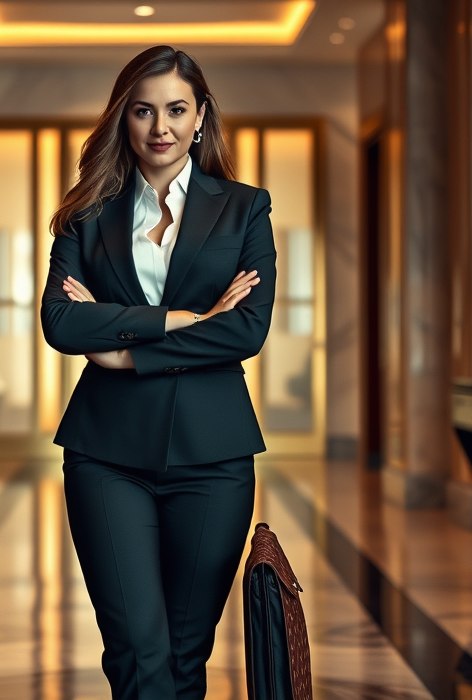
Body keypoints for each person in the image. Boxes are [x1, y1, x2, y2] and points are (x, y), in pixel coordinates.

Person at [40, 45, 276, 700]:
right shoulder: (85, 214)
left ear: (201, 117)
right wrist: (183, 319)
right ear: (124, 119)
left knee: (182, 658)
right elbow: (62, 324)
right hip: (105, 455)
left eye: (176, 109)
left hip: (215, 457)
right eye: (143, 111)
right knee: (136, 654)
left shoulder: (245, 209)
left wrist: (122, 348)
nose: (160, 127)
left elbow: (247, 330)